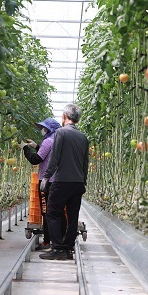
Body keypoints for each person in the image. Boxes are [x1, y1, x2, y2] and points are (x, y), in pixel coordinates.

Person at [39, 104, 89, 260]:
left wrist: (46, 177)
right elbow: (85, 162)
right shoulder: (83, 137)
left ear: (64, 116)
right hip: (78, 183)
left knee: (53, 213)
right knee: (73, 217)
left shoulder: (60, 133)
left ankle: (58, 248)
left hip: (62, 181)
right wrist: (84, 181)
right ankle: (68, 249)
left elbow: (55, 158)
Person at [20, 118, 66, 251]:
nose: (42, 130)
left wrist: (25, 149)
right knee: (59, 211)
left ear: (49, 129)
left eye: (44, 128)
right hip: (58, 181)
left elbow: (36, 160)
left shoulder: (48, 141)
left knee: (47, 212)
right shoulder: (58, 141)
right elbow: (49, 156)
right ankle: (61, 240)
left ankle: (47, 241)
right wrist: (36, 146)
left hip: (46, 182)